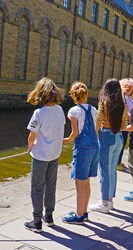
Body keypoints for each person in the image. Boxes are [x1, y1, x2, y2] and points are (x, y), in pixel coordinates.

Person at [24, 77, 65, 233]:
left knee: (37, 188)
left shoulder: (39, 113)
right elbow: (59, 129)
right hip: (54, 154)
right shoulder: (60, 110)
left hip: (41, 156)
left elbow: (31, 137)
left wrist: (30, 147)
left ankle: (36, 221)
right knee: (51, 186)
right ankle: (49, 217)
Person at [62, 82, 99, 224]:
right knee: (87, 182)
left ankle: (78, 215)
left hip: (83, 149)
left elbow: (75, 133)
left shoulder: (73, 111)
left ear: (73, 96)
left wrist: (67, 140)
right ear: (86, 94)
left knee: (79, 183)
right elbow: (96, 129)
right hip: (95, 147)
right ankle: (84, 212)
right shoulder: (93, 109)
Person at [89, 78, 128, 213]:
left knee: (104, 171)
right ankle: (110, 200)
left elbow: (98, 121)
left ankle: (104, 203)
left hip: (106, 136)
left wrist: (93, 137)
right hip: (119, 138)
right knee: (112, 170)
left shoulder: (104, 102)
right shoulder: (123, 104)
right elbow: (124, 125)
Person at [116, 78, 133, 172]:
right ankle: (116, 163)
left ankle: (118, 161)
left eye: (130, 87)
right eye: (126, 86)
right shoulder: (121, 97)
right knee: (121, 142)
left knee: (123, 143)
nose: (128, 88)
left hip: (127, 123)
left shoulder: (129, 97)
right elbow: (123, 110)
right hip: (123, 123)